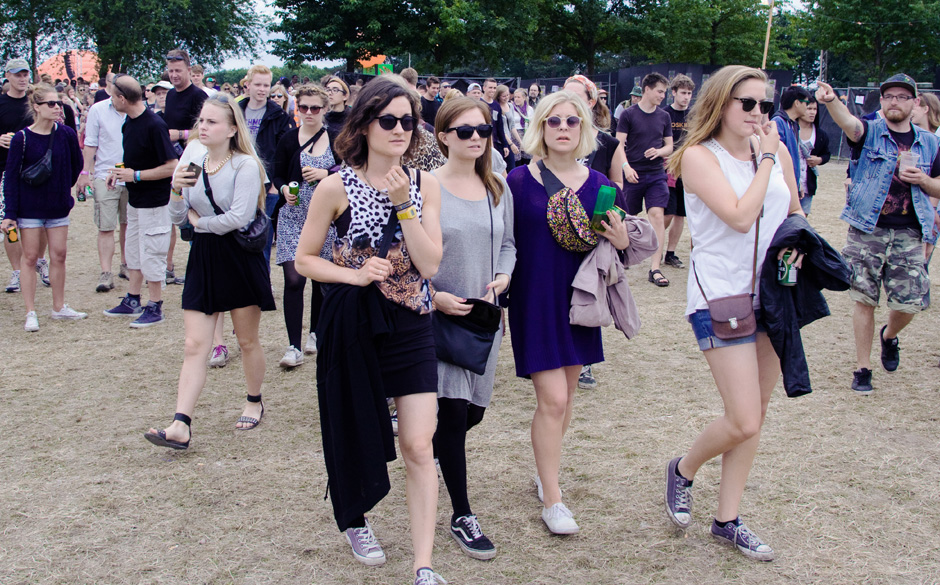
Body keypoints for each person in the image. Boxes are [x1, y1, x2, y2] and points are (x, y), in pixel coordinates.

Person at [292, 75, 445, 585]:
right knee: (354, 429)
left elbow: (430, 265)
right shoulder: (335, 186)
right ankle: (355, 518)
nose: (400, 129)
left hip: (412, 324)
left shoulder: (426, 185)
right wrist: (354, 274)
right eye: (388, 120)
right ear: (363, 124)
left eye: (409, 121)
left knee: (419, 444)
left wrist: (404, 205)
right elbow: (305, 259)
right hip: (355, 323)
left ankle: (423, 564)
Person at [663, 64, 803, 562]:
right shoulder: (699, 156)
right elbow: (742, 216)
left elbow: (793, 210)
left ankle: (728, 519)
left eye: (765, 104)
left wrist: (798, 243)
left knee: (756, 415)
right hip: (721, 296)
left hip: (774, 296)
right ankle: (683, 468)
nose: (758, 113)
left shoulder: (777, 150)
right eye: (747, 103)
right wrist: (765, 159)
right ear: (721, 103)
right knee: (742, 419)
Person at [508, 91, 632, 535]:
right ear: (540, 127)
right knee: (554, 399)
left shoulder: (601, 185)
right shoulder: (517, 180)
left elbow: (621, 245)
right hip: (533, 299)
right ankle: (553, 500)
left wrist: (622, 240)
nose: (563, 128)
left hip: (580, 300)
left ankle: (546, 472)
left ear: (584, 128)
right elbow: (502, 240)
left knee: (569, 395)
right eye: (554, 121)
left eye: (572, 121)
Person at [145, 94, 275, 449]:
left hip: (239, 257)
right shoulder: (192, 159)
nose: (203, 127)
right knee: (194, 345)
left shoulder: (246, 165)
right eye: (201, 120)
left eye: (212, 122)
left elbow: (239, 218)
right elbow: (177, 217)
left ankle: (254, 400)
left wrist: (199, 223)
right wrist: (176, 190)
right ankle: (180, 424)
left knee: (246, 340)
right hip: (203, 258)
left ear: (232, 129)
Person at [815, 75, 940, 393]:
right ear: (882, 101)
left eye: (902, 96)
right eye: (889, 96)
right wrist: (832, 100)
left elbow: (938, 186)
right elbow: (849, 124)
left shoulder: (930, 143)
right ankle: (863, 368)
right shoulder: (870, 133)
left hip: (910, 232)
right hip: (867, 230)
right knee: (864, 300)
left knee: (909, 303)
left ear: (915, 103)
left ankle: (889, 336)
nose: (895, 101)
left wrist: (924, 181)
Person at [431, 96, 515, 560]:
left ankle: (427, 446)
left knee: (472, 414)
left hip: (486, 320)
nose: (476, 138)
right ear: (444, 136)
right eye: (465, 131)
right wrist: (433, 296)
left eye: (483, 130)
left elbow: (509, 244)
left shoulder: (497, 186)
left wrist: (504, 275)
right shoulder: (427, 187)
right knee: (453, 413)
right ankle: (462, 514)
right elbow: (406, 254)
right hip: (442, 318)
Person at [1, 83, 86, 330]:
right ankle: (30, 311)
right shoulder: (21, 138)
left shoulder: (66, 134)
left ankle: (59, 307)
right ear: (36, 107)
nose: (57, 107)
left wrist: (62, 189)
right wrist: (10, 213)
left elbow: (76, 164)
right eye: (51, 103)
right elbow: (11, 177)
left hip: (57, 206)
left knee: (59, 255)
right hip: (29, 208)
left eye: (59, 103)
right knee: (29, 258)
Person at [562, 75, 627, 391]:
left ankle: (584, 362)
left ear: (591, 102)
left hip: (591, 235)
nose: (570, 102)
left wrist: (605, 214)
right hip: (556, 228)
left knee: (588, 293)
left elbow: (618, 187)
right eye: (565, 95)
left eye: (576, 96)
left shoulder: (608, 143)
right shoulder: (552, 135)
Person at [102, 75, 179, 328]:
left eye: (113, 97)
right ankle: (132, 299)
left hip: (155, 203)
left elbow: (172, 166)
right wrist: (119, 173)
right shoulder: (129, 123)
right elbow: (134, 158)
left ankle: (155, 305)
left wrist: (135, 175)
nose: (112, 101)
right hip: (135, 200)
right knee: (133, 250)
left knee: (152, 253)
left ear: (122, 98)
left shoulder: (154, 125)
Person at [272, 84, 335, 367]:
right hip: (293, 217)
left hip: (326, 219)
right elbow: (277, 173)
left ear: (325, 109)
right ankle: (293, 346)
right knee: (294, 279)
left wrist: (325, 172)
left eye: (315, 108)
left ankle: (315, 333)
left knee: (321, 280)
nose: (309, 113)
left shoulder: (336, 138)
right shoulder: (288, 138)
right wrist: (284, 188)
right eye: (303, 107)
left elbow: (350, 170)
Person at [617, 72, 674, 287]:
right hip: (633, 173)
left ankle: (655, 268)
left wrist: (659, 152)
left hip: (656, 174)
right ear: (647, 89)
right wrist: (626, 167)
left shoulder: (664, 116)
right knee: (626, 216)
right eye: (659, 91)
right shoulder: (628, 114)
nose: (662, 96)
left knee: (657, 215)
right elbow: (618, 145)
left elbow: (669, 146)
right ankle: (622, 255)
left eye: (664, 92)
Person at [0, 58, 50, 293]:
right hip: (6, 171)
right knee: (9, 224)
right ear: (7, 76)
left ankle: (40, 261)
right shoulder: (1, 103)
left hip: (36, 171)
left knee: (40, 222)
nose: (22, 79)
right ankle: (17, 271)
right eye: (17, 74)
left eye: (25, 74)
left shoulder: (37, 102)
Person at [76, 85, 129, 292]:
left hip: (131, 175)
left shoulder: (137, 109)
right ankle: (106, 272)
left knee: (128, 224)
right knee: (106, 226)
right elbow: (90, 143)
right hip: (104, 174)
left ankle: (126, 264)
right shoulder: (98, 109)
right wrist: (85, 172)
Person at [238, 64, 292, 269]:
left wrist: (275, 185)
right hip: (238, 178)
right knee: (237, 233)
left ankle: (262, 281)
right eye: (258, 85)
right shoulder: (236, 110)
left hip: (266, 183)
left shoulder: (278, 115)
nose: (262, 89)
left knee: (261, 237)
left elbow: (284, 152)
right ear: (248, 85)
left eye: (266, 85)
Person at [163, 49, 208, 284]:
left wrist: (179, 134)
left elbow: (207, 129)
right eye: (170, 71)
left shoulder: (199, 96)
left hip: (196, 161)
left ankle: (200, 269)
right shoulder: (171, 95)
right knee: (178, 211)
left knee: (195, 209)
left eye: (178, 71)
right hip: (175, 161)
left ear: (189, 70)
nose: (174, 75)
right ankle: (178, 266)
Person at [663, 74, 695, 269]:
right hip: (668, 169)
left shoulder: (694, 116)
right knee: (667, 213)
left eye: (689, 93)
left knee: (680, 214)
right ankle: (654, 246)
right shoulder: (664, 114)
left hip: (688, 170)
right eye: (683, 93)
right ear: (673, 92)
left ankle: (671, 253)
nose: (686, 97)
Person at [771, 85, 810, 201]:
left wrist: (797, 184)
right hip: (781, 187)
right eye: (806, 103)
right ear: (797, 103)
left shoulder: (793, 124)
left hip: (790, 184)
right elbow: (777, 158)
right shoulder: (778, 122)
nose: (807, 107)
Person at [797, 96, 830, 215]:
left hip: (808, 184)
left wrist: (819, 160)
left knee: (802, 218)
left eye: (815, 109)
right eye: (809, 108)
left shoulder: (820, 134)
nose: (812, 112)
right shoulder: (790, 129)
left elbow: (827, 154)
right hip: (790, 181)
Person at [496, 85, 522, 169]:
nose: (506, 97)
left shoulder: (510, 106)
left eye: (508, 95)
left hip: (509, 139)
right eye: (503, 96)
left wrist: (520, 142)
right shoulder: (496, 107)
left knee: (512, 167)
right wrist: (511, 144)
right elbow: (501, 129)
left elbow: (512, 126)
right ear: (498, 96)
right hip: (500, 142)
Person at [324, 77, 350, 143]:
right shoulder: (321, 117)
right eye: (328, 90)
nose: (330, 93)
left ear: (345, 96)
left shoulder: (352, 119)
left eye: (335, 90)